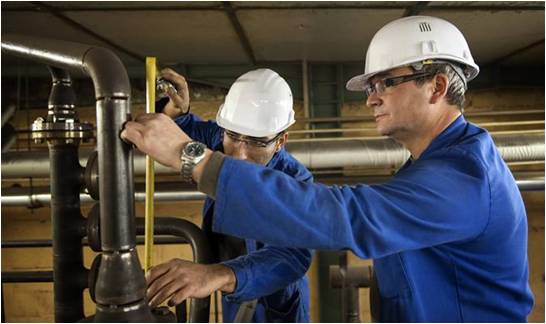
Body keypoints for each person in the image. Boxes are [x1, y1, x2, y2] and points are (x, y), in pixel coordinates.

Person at [123, 16, 534, 322]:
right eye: (370, 87)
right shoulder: (434, 165)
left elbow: (345, 216)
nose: (371, 99)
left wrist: (191, 156)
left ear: (437, 87)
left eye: (384, 83)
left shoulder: (465, 179)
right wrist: (179, 120)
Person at [144, 68, 313, 323]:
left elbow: (290, 257)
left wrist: (216, 275)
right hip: (231, 291)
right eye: (233, 136)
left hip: (275, 305)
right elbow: (191, 131)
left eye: (256, 142)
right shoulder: (222, 139)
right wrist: (178, 114)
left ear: (281, 140)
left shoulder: (296, 183)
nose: (240, 155)